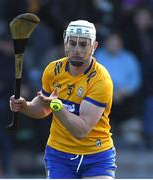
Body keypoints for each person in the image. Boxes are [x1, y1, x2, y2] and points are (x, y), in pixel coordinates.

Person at [10, 20, 117, 179]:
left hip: (96, 155)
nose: (77, 50)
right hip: (60, 154)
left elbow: (81, 130)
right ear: (65, 43)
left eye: (83, 45)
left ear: (94, 47)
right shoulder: (53, 70)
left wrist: (57, 107)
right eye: (72, 43)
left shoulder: (101, 80)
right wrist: (25, 106)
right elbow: (43, 109)